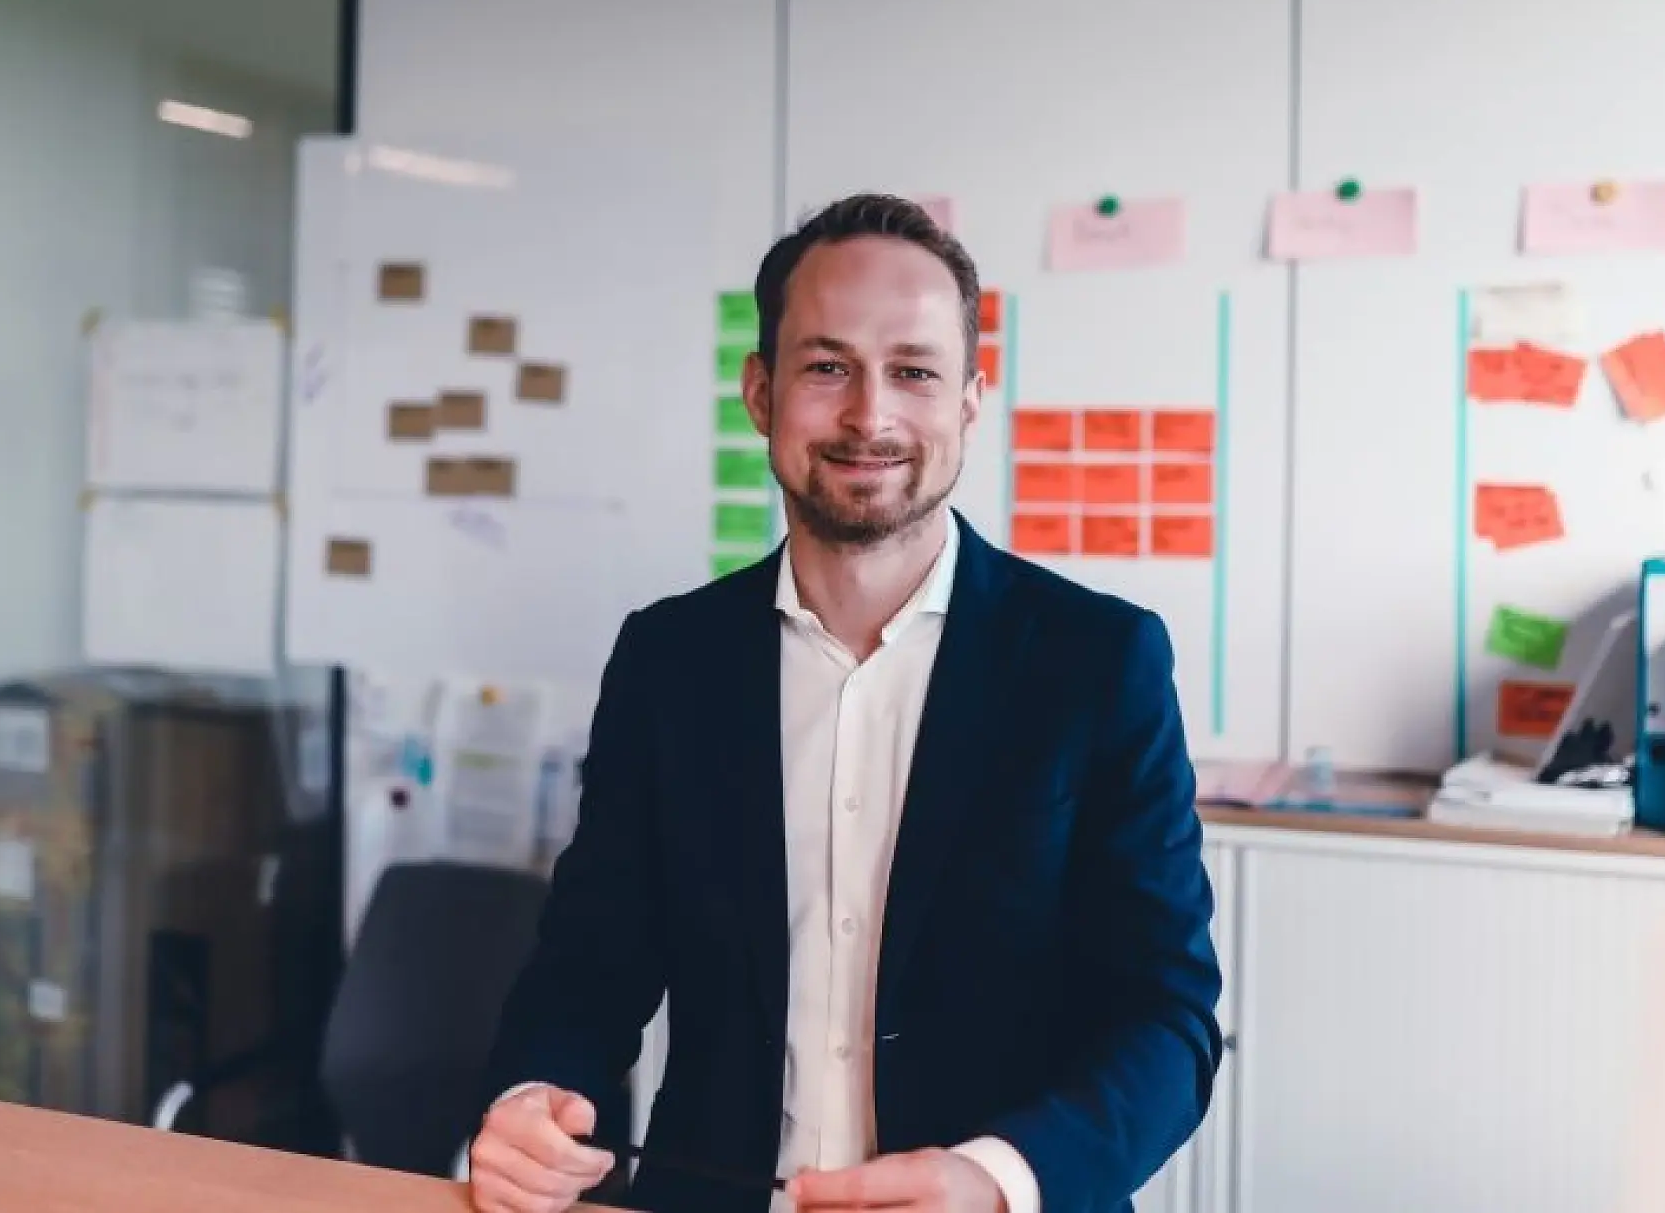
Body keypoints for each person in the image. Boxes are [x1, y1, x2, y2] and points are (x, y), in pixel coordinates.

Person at [467, 194, 1222, 1213]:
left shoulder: (1097, 662)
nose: (871, 417)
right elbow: (588, 968)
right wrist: (533, 1100)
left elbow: (1162, 1018)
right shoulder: (670, 659)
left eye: (913, 371)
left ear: (967, 399)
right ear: (760, 392)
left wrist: (996, 1179)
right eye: (826, 368)